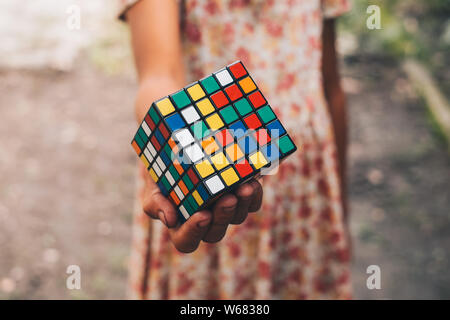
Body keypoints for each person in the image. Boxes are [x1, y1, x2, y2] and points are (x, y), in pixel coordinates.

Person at [119, 0, 352, 299]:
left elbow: (331, 85)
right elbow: (158, 75)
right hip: (204, 167)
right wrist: (173, 148)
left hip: (305, 189)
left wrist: (340, 204)